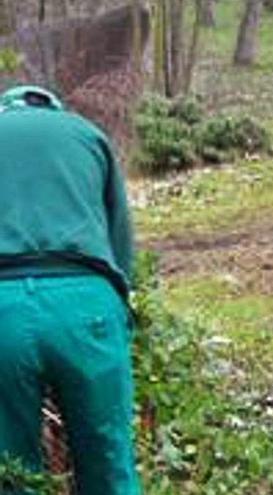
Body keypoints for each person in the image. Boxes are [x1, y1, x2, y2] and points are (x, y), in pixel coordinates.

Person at [0, 86, 140, 494]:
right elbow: (120, 240)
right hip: (86, 302)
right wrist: (119, 301)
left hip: (3, 306)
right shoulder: (87, 134)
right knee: (108, 459)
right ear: (53, 108)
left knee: (10, 470)